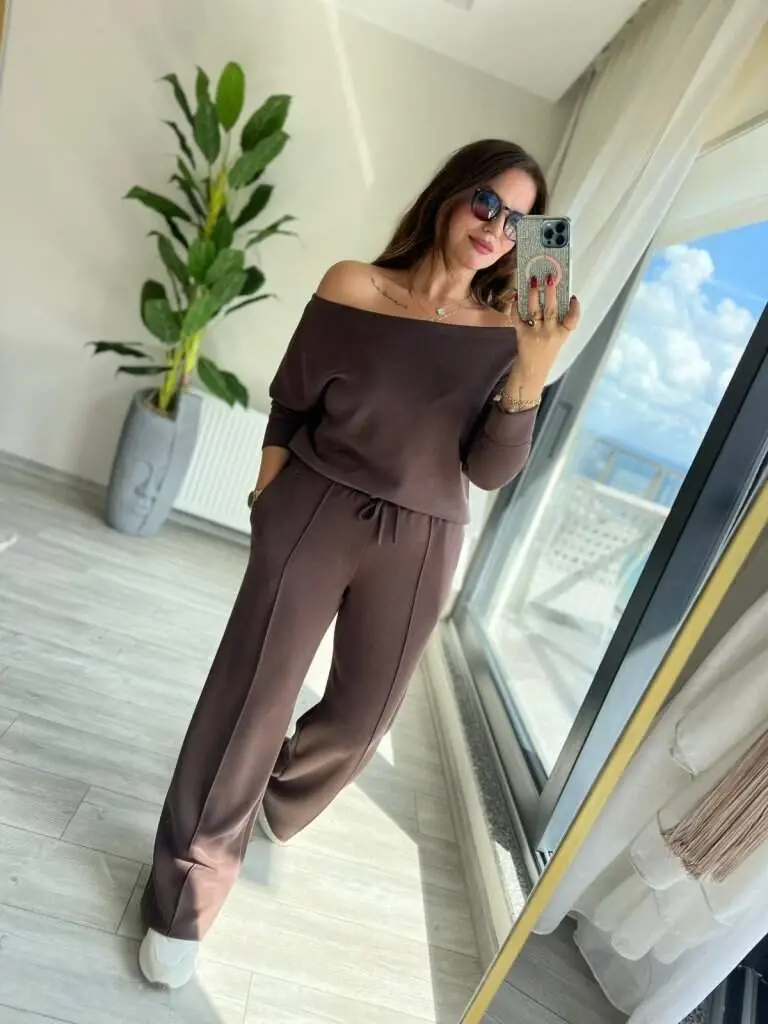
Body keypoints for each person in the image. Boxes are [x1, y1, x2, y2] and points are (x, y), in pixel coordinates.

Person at [138, 138, 580, 987]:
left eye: (520, 222)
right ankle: (185, 889)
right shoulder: (353, 285)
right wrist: (269, 500)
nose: (496, 228)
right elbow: (291, 400)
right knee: (248, 701)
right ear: (451, 195)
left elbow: (488, 471)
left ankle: (266, 798)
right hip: (314, 504)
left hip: (423, 535)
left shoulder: (511, 335)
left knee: (361, 721)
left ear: (530, 241)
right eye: (487, 202)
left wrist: (533, 366)